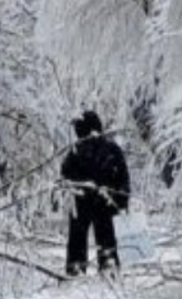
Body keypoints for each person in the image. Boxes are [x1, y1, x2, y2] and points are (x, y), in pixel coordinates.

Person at [61, 110, 131, 276]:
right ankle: (109, 269)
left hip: (80, 202)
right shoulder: (112, 149)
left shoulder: (75, 151)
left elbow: (65, 174)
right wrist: (122, 202)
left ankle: (76, 269)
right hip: (107, 203)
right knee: (107, 239)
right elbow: (123, 177)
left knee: (77, 240)